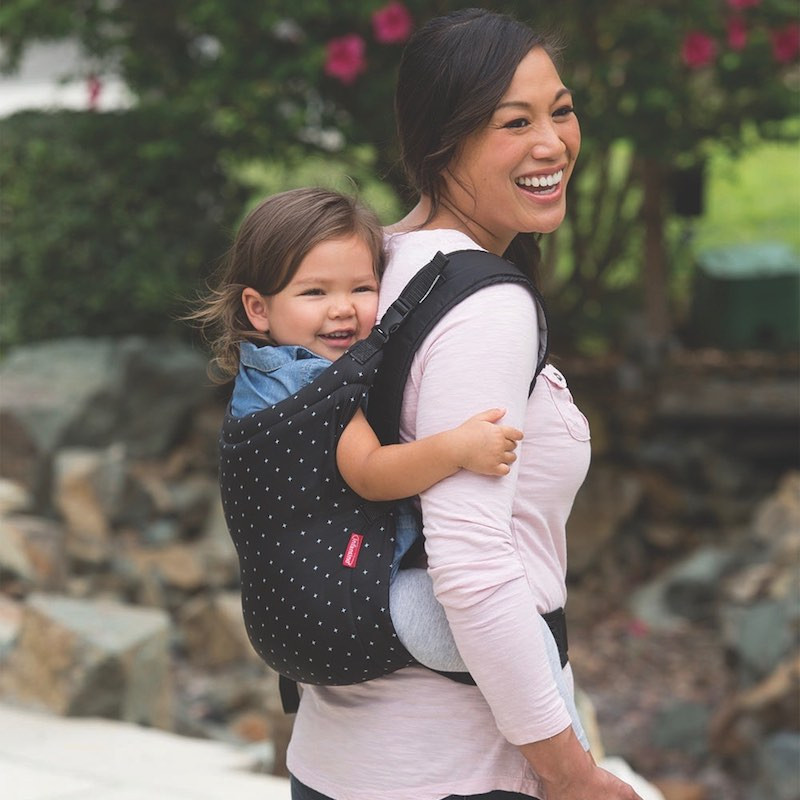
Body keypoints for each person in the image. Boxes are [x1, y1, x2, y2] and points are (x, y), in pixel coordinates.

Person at [286, 9, 643, 800]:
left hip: (339, 757)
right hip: (452, 770)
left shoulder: (376, 266)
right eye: (513, 122)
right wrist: (571, 774)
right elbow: (474, 569)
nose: (551, 143)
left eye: (561, 110)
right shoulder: (482, 305)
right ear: (442, 142)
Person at [190, 185, 525, 672]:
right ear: (258, 308)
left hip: (284, 622)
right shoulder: (312, 385)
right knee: (513, 638)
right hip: (351, 611)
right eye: (315, 292)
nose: (342, 308)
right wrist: (458, 448)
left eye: (361, 289)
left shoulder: (262, 374)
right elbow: (370, 471)